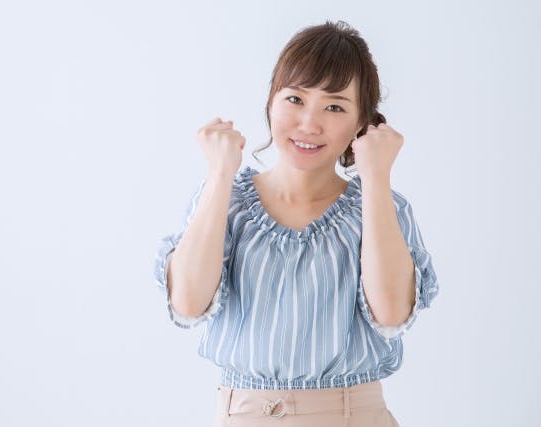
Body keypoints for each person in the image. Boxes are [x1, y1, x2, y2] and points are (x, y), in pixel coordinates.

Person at [153, 19, 439, 427]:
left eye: (335, 107)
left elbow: (391, 313)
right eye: (295, 99)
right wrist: (219, 174)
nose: (309, 123)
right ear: (271, 101)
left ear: (362, 123)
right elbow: (187, 304)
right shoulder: (225, 200)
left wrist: (376, 176)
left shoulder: (379, 207)